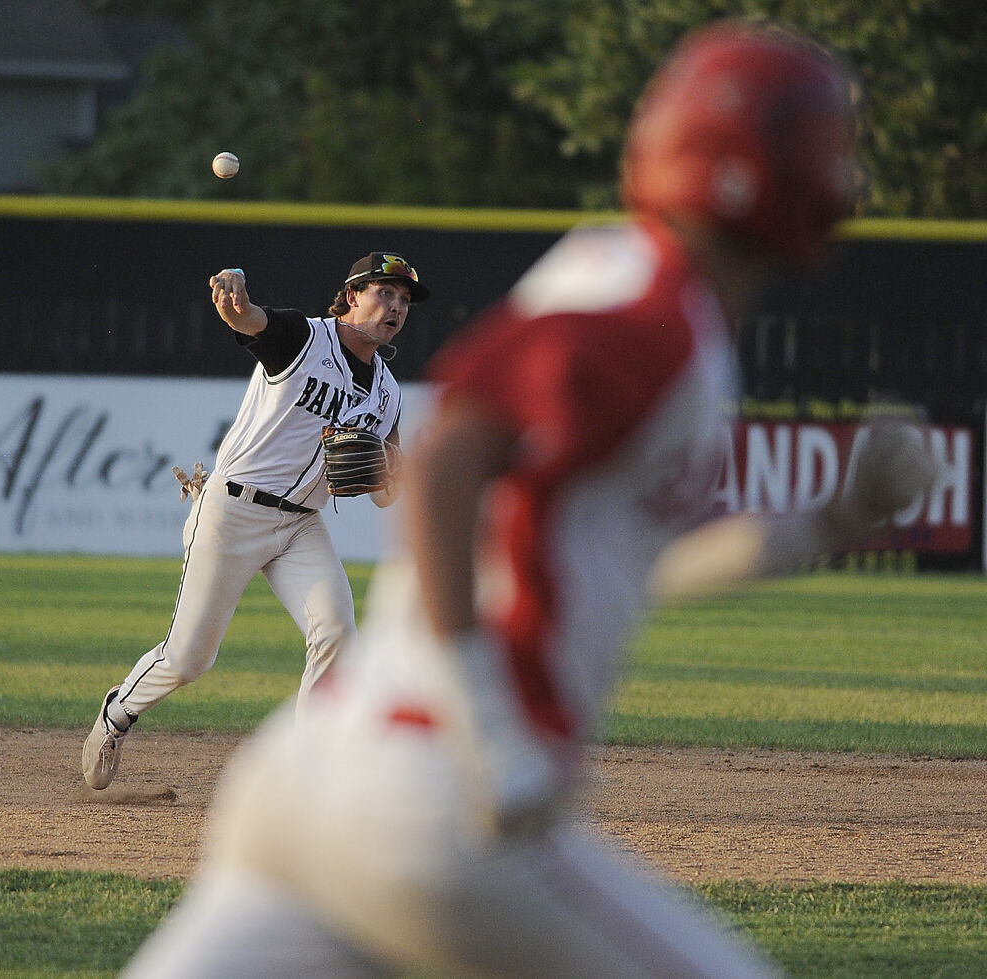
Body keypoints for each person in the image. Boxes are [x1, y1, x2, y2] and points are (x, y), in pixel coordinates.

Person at [121, 20, 937, 977]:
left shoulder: (636, 294)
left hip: (307, 785)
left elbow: (645, 563)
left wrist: (833, 521)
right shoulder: (655, 316)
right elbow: (451, 457)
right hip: (439, 798)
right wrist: (487, 717)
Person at [82, 252, 429, 790]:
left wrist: (397, 471)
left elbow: (385, 495)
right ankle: (116, 714)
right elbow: (250, 321)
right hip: (233, 510)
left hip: (301, 526)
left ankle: (309, 769)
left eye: (404, 300)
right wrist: (235, 298)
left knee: (336, 630)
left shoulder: (387, 392)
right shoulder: (304, 338)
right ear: (352, 295)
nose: (396, 307)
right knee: (190, 658)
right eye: (384, 293)